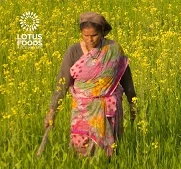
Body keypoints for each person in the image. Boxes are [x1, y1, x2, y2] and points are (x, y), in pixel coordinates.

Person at [44, 12, 137, 157]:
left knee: (108, 149)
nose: (90, 39)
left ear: (102, 32)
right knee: (80, 145)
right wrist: (52, 111)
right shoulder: (73, 51)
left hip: (108, 108)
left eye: (94, 35)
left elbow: (126, 78)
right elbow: (62, 82)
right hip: (82, 109)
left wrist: (132, 102)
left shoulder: (113, 49)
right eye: (85, 35)